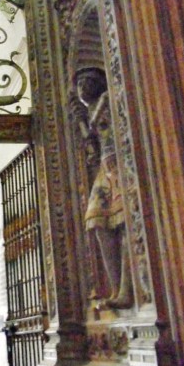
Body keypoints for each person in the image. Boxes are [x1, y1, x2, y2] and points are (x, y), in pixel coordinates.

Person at [75, 67, 133, 309]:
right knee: (98, 222)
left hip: (121, 165)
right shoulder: (91, 110)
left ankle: (127, 289)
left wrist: (85, 118)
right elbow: (91, 144)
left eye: (86, 81)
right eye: (79, 84)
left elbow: (105, 127)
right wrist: (81, 121)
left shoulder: (108, 99)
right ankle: (115, 285)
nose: (81, 88)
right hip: (104, 169)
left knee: (126, 224)